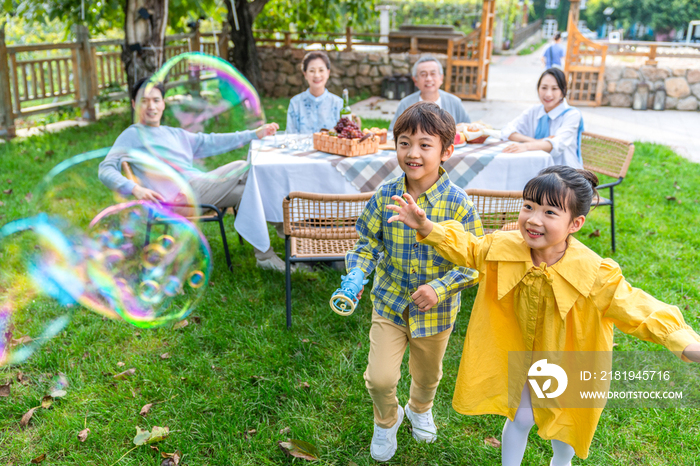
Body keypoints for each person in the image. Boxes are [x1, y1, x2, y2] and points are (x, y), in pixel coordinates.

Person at [386, 165, 700, 466]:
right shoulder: (504, 246)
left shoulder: (594, 273)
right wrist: (427, 227)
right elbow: (470, 248)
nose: (534, 220)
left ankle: (561, 462)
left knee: (565, 425)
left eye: (550, 212)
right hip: (522, 349)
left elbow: (636, 305)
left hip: (570, 354)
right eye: (529, 207)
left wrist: (683, 341)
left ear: (574, 224)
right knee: (521, 416)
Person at [344, 101, 483, 462]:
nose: (413, 153)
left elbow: (474, 261)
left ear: (446, 151)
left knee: (427, 376)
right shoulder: (386, 195)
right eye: (404, 142)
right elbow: (367, 242)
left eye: (425, 144)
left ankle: (420, 408)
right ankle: (387, 420)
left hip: (435, 314)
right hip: (390, 302)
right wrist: (357, 272)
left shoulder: (458, 203)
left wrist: (439, 289)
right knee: (379, 379)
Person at [98, 77, 289, 272]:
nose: (151, 106)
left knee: (246, 192)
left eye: (156, 100)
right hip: (177, 199)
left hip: (197, 189)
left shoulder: (174, 134)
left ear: (163, 104)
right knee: (244, 167)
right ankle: (291, 235)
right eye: (144, 101)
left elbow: (213, 141)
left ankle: (266, 257)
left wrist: (253, 134)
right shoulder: (132, 135)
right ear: (134, 105)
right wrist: (135, 188)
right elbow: (105, 169)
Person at [501, 68, 584, 169]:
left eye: (554, 89)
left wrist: (526, 146)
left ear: (563, 91)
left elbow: (557, 144)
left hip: (564, 174)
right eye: (544, 88)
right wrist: (535, 141)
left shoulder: (572, 115)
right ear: (538, 89)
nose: (548, 94)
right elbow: (506, 130)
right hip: (535, 168)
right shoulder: (534, 111)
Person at [388, 55, 471, 133]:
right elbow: (393, 133)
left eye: (433, 73)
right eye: (423, 74)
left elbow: (468, 130)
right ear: (415, 80)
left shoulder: (455, 102)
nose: (428, 79)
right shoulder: (406, 104)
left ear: (441, 78)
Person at [286, 51, 343, 134]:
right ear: (305, 74)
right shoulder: (295, 103)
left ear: (328, 73)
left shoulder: (338, 104)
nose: (317, 75)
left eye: (321, 70)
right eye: (312, 71)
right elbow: (290, 136)